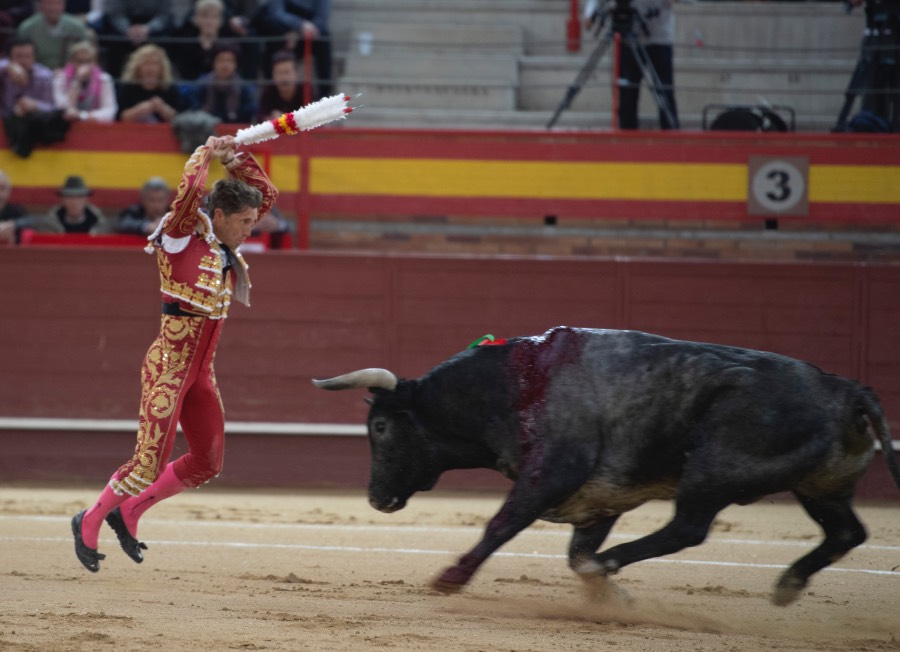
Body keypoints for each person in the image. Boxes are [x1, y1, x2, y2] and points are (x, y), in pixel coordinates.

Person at [70, 134, 278, 573]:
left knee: (208, 461)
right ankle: (88, 519)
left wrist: (234, 157)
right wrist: (206, 152)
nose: (249, 229)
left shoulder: (224, 244)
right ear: (217, 216)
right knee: (147, 463)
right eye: (242, 222)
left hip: (201, 375)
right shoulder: (182, 235)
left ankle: (129, 512)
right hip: (168, 369)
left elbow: (268, 193)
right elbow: (187, 194)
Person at [585, 0, 679, 130]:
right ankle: (627, 136)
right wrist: (590, 14)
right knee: (627, 94)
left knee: (664, 91)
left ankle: (671, 137)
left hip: (659, 37)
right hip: (627, 37)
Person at [255, 0, 332, 100]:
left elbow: (322, 20)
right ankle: (270, 94)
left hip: (308, 35)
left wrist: (302, 31)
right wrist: (297, 26)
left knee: (324, 38)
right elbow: (276, 12)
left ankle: (324, 95)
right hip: (282, 32)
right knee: (269, 26)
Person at [95, 0, 175, 78]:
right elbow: (116, 13)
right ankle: (115, 83)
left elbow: (164, 15)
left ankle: (165, 84)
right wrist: (127, 29)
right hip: (123, 29)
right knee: (114, 43)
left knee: (168, 40)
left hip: (154, 30)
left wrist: (148, 29)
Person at [191, 39, 256, 123]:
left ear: (236, 63)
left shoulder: (245, 88)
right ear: (213, 62)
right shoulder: (201, 85)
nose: (225, 65)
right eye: (221, 60)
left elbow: (248, 114)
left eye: (230, 60)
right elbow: (194, 111)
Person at [52, 40, 117, 123]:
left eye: (88, 61)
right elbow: (62, 108)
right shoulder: (61, 78)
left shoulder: (104, 79)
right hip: (66, 126)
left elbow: (110, 112)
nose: (85, 66)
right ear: (72, 62)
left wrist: (82, 116)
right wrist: (77, 80)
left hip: (93, 126)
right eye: (80, 61)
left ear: (95, 62)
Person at [116, 43, 181, 123]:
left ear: (162, 68)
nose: (150, 69)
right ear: (138, 67)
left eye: (155, 64)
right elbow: (119, 118)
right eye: (146, 63)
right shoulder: (128, 87)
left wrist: (163, 109)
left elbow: (179, 120)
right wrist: (138, 111)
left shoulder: (170, 88)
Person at [17, 0, 90, 70]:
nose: (53, 7)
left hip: (70, 75)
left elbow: (87, 56)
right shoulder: (27, 28)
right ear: (40, 5)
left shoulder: (77, 27)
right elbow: (18, 57)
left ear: (64, 5)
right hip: (37, 75)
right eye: (49, 3)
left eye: (57, 3)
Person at [33, 174, 111, 234]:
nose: (74, 202)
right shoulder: (49, 225)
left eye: (79, 197)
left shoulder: (100, 225)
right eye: (70, 197)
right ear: (62, 200)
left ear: (86, 200)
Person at [172, 0, 226, 82]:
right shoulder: (187, 44)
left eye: (214, 17)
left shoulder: (227, 45)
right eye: (205, 16)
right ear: (196, 19)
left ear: (220, 20)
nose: (209, 21)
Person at [256, 49, 303, 120]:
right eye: (279, 73)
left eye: (287, 72)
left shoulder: (306, 91)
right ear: (273, 74)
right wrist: (271, 119)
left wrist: (286, 119)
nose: (283, 77)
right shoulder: (268, 92)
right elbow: (260, 118)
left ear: (295, 73)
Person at [0, 169, 28, 244]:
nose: (0, 195)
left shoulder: (16, 211)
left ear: (8, 191)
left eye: (3, 189)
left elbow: (39, 222)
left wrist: (14, 224)